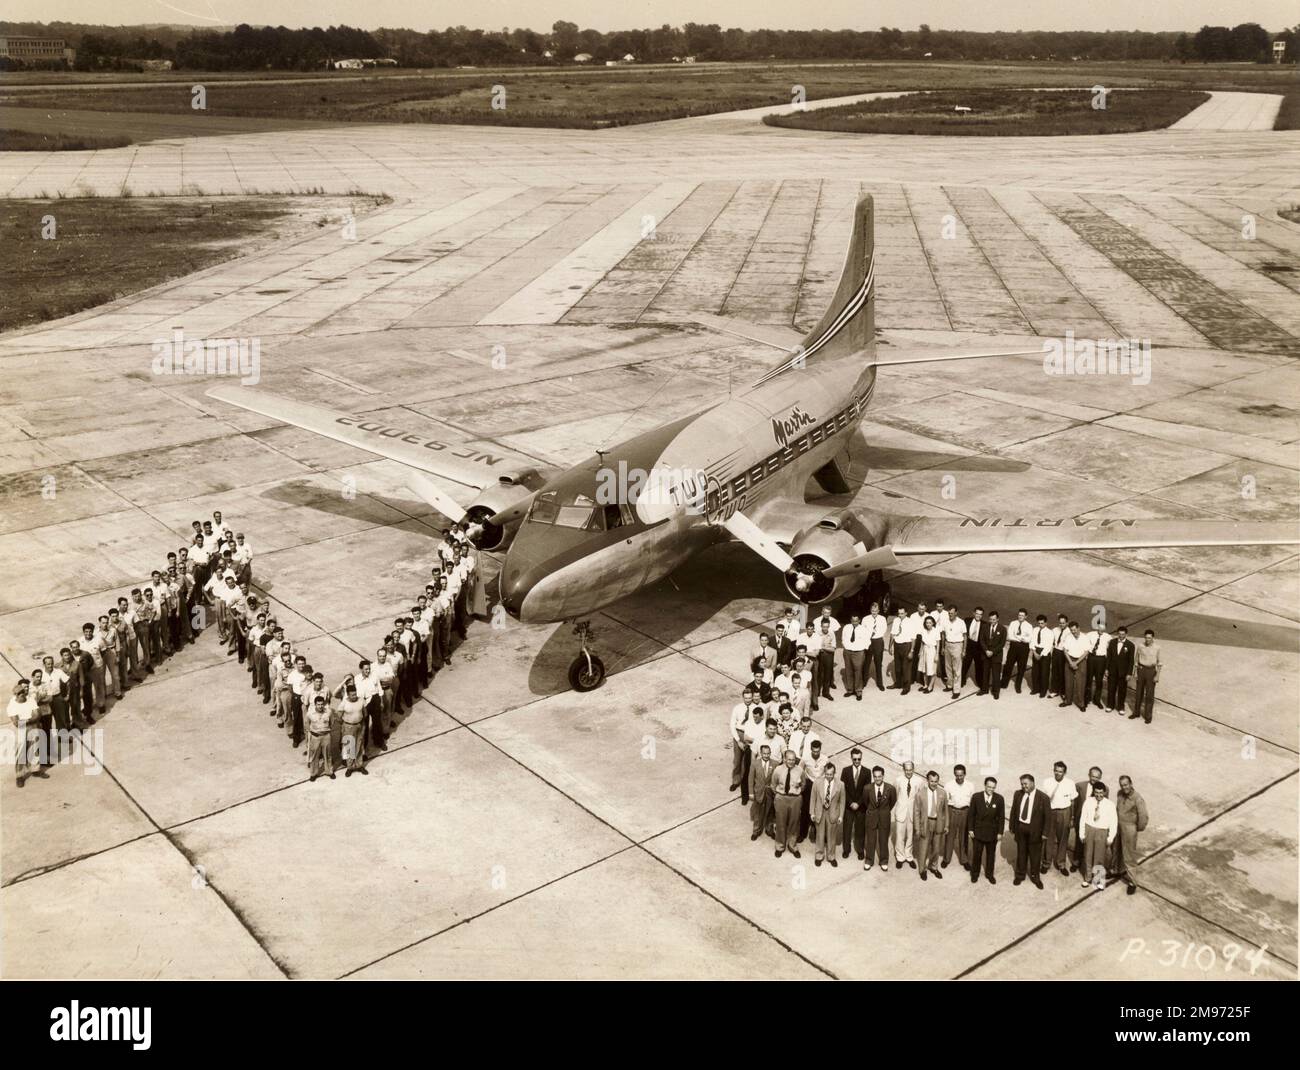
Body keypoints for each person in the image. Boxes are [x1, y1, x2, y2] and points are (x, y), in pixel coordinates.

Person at [1010, 774, 1048, 888]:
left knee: (1035, 856)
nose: (1023, 786)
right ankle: (1020, 875)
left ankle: (1035, 877)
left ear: (1032, 783)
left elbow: (1048, 817)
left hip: (1035, 831)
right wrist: (1012, 826)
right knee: (1021, 853)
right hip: (1021, 828)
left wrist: (1045, 833)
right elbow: (1013, 810)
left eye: (1025, 784)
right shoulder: (1018, 794)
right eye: (1022, 784)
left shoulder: (1043, 797)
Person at [1078, 781, 1117, 888]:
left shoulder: (1110, 805)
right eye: (1096, 792)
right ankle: (1088, 878)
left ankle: (1099, 880)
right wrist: (1082, 833)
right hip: (1089, 829)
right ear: (1093, 792)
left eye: (1101, 792)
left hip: (1102, 831)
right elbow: (1083, 818)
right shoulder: (1088, 802)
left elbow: (1114, 822)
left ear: (1104, 792)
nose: (1099, 795)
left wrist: (1110, 837)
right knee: (1088, 855)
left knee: (1099, 857)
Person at [1042, 761, 1078, 877]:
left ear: (1064, 772)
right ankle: (1046, 863)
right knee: (1048, 839)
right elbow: (1043, 800)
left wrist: (1072, 817)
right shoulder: (1047, 782)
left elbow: (1072, 801)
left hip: (1065, 812)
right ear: (1053, 770)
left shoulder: (1070, 783)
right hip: (1051, 812)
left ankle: (1061, 864)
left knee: (1063, 839)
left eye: (1060, 771)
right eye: (1056, 771)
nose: (1058, 773)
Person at [967, 777, 1005, 884]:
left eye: (993, 787)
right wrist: (970, 829)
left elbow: (1001, 817)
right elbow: (971, 815)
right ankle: (975, 874)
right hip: (978, 832)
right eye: (989, 787)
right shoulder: (976, 797)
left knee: (991, 855)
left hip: (992, 833)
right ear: (984, 785)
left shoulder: (999, 799)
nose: (991, 789)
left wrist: (1000, 832)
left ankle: (989, 874)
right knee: (977, 854)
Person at [8, 679, 47, 787]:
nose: (22, 693)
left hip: (32, 727)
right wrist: (31, 719)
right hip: (20, 729)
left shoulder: (30, 699)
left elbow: (38, 714)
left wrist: (27, 720)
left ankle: (35, 770)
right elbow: (16, 722)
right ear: (15, 694)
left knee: (34, 748)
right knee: (20, 751)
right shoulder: (12, 703)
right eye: (19, 692)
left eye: (24, 691)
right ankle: (19, 776)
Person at [1114, 775, 1148, 894]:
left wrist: (1135, 829)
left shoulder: (1137, 798)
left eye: (1126, 784)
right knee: (1116, 850)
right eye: (1122, 785)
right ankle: (1116, 870)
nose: (1124, 787)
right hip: (1118, 826)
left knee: (1129, 856)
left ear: (1131, 784)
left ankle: (1133, 882)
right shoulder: (1119, 794)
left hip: (1129, 828)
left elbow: (1143, 817)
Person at [913, 770, 949, 880]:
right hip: (926, 822)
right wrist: (917, 828)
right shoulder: (920, 794)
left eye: (936, 781)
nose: (934, 783)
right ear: (927, 780)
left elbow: (945, 811)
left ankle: (933, 867)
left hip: (938, 822)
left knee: (936, 848)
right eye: (932, 781)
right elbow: (916, 812)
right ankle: (922, 870)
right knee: (924, 847)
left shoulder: (942, 793)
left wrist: (946, 825)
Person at [770, 750, 805, 859]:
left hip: (795, 799)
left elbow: (803, 784)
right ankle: (780, 846)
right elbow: (773, 784)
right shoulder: (778, 770)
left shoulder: (800, 770)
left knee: (794, 823)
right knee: (780, 823)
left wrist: (796, 793)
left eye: (793, 759)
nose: (791, 761)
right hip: (781, 798)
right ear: (784, 759)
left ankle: (792, 845)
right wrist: (780, 795)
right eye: (789, 759)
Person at [1071, 766, 1105, 874]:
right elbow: (1075, 804)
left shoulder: (1105, 789)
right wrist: (1073, 817)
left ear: (1100, 778)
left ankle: (1089, 865)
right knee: (1079, 841)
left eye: (1097, 777)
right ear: (1089, 775)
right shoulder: (1080, 786)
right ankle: (1076, 861)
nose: (1094, 779)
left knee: (1092, 845)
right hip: (1081, 819)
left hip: (1094, 821)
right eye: (1092, 776)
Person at [334, 678, 369, 777]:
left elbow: (365, 713)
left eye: (355, 694)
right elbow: (338, 717)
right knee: (349, 747)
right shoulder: (344, 703)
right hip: (348, 727)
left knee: (359, 745)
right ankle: (350, 767)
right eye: (352, 695)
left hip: (359, 725)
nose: (354, 696)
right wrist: (346, 725)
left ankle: (359, 765)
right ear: (348, 694)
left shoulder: (361, 700)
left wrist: (360, 723)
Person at [811, 762, 844, 867]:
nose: (829, 776)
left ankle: (831, 856)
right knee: (820, 835)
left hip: (833, 813)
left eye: (831, 774)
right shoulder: (817, 783)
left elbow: (842, 801)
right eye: (827, 774)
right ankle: (819, 856)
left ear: (834, 773)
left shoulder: (840, 784)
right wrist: (812, 812)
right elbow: (813, 799)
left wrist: (841, 816)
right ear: (824, 773)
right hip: (820, 812)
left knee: (831, 836)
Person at [863, 766, 895, 871]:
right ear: (873, 776)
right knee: (870, 840)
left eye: (879, 776)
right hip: (871, 817)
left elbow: (892, 802)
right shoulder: (867, 788)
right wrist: (872, 812)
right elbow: (865, 802)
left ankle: (884, 861)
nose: (877, 779)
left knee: (883, 840)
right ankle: (869, 860)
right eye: (875, 777)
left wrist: (884, 812)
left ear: (883, 776)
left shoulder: (890, 788)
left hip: (884, 817)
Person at [893, 761, 922, 869]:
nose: (908, 772)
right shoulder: (898, 780)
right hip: (901, 812)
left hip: (912, 813)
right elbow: (895, 795)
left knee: (910, 836)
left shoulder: (919, 781)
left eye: (910, 770)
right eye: (906, 770)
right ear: (903, 769)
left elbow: (919, 798)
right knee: (899, 836)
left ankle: (909, 856)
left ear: (913, 769)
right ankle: (900, 857)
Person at [840, 749, 869, 860]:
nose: (857, 761)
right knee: (847, 829)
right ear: (851, 758)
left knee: (860, 830)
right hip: (849, 806)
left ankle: (860, 850)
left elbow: (866, 790)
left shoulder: (867, 772)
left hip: (861, 807)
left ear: (861, 758)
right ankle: (846, 850)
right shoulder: (845, 771)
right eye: (855, 759)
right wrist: (851, 802)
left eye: (859, 759)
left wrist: (859, 803)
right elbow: (843, 789)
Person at [943, 764, 973, 871]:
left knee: (963, 837)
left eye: (961, 775)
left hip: (965, 811)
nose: (959, 777)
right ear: (954, 774)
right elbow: (946, 801)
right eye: (957, 775)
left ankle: (964, 860)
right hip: (952, 811)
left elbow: (971, 801)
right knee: (949, 836)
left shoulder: (970, 785)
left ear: (965, 774)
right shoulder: (949, 785)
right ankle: (946, 859)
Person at [749, 741, 777, 842]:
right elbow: (750, 779)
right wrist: (751, 792)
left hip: (770, 793)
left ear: (770, 753)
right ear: (761, 753)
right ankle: (756, 830)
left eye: (768, 753)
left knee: (770, 812)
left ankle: (769, 830)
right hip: (758, 792)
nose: (766, 755)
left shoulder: (775, 764)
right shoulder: (755, 764)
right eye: (764, 753)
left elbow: (776, 779)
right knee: (758, 813)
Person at [728, 687, 754, 794]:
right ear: (743, 697)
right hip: (739, 733)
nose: (748, 700)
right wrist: (738, 740)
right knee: (737, 760)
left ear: (752, 697)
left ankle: (746, 782)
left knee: (747, 761)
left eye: (749, 698)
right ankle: (736, 780)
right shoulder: (737, 708)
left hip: (750, 735)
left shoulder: (755, 708)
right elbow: (732, 725)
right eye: (746, 698)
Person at [1132, 630, 1161, 723]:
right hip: (1141, 670)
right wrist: (1135, 672)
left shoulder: (1157, 648)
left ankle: (1148, 717)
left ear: (1153, 638)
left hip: (1151, 671)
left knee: (1149, 695)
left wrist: (1157, 676)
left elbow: (1159, 663)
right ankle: (1136, 713)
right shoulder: (1140, 646)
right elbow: (1136, 659)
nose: (1147, 639)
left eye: (1149, 638)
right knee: (1138, 693)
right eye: (1146, 637)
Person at [1059, 621, 1089, 710]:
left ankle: (1081, 703)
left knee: (1081, 683)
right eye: (1071, 630)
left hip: (1081, 661)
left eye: (1075, 630)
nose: (1073, 632)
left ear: (1079, 628)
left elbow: (1086, 652)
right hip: (1070, 660)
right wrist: (1071, 662)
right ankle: (1068, 701)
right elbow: (1065, 651)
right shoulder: (1068, 637)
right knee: (1068, 681)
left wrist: (1076, 663)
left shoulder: (1085, 637)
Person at [1107, 626, 1136, 714]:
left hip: (1123, 673)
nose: (1121, 636)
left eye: (1123, 634)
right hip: (1112, 671)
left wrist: (1129, 673)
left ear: (1126, 634)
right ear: (1117, 634)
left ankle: (1121, 707)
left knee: (1122, 690)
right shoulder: (1112, 642)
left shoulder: (1130, 645)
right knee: (1111, 689)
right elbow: (1109, 657)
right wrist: (1106, 669)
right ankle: (1110, 705)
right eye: (1119, 634)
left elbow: (1131, 661)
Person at [1002, 609, 1032, 693]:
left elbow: (1029, 639)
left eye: (1022, 615)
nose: (1020, 617)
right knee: (1008, 665)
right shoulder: (1013, 623)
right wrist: (1022, 638)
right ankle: (1004, 683)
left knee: (1021, 667)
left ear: (1026, 616)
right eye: (1019, 615)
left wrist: (1017, 637)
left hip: (1024, 648)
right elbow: (1010, 636)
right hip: (1013, 647)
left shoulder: (1029, 626)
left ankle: (1018, 686)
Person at [1082, 621, 1111, 710]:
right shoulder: (1090, 634)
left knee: (1099, 681)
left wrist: (1107, 666)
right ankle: (1086, 699)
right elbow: (1084, 644)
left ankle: (1097, 700)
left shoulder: (1108, 637)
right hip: (1091, 658)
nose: (1101, 630)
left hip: (1101, 659)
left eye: (1103, 628)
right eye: (1100, 627)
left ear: (1105, 628)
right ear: (1097, 627)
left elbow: (1109, 651)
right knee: (1088, 679)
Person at [306, 695, 335, 782]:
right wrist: (312, 732)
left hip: (326, 736)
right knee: (314, 756)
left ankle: (329, 771)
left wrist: (327, 730)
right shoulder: (310, 714)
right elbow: (307, 724)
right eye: (318, 704)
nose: (320, 706)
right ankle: (313, 773)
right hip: (315, 737)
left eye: (322, 704)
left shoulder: (328, 712)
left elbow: (332, 722)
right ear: (315, 704)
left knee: (328, 754)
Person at [979, 610, 1006, 699]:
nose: (992, 621)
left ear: (997, 619)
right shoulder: (985, 627)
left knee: (996, 675)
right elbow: (981, 640)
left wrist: (992, 652)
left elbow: (1002, 644)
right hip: (986, 654)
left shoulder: (1002, 629)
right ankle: (984, 689)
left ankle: (996, 692)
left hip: (996, 655)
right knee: (985, 673)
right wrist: (986, 650)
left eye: (994, 619)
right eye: (990, 619)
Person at [888, 606, 915, 695]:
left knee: (906, 668)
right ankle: (898, 683)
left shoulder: (910, 622)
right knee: (898, 666)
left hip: (906, 645)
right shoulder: (896, 620)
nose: (900, 615)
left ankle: (906, 687)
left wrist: (911, 650)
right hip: (897, 645)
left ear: (906, 613)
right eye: (899, 613)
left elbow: (913, 638)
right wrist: (890, 646)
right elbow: (892, 633)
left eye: (902, 613)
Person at [840, 614, 867, 698]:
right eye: (853, 621)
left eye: (856, 621)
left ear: (859, 621)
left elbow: (867, 640)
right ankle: (850, 690)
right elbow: (843, 638)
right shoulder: (846, 627)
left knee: (858, 671)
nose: (854, 623)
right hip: (847, 651)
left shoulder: (863, 629)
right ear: (850, 620)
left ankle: (858, 691)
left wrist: (862, 650)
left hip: (858, 652)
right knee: (848, 671)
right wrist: (845, 646)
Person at [942, 606, 966, 697]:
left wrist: (964, 650)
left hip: (957, 645)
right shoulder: (945, 621)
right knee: (948, 667)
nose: (950, 615)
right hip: (948, 645)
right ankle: (949, 685)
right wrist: (943, 647)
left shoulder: (961, 622)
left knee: (957, 669)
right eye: (949, 613)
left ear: (956, 613)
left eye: (952, 613)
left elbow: (965, 636)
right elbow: (943, 634)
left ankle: (956, 690)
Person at [962, 606, 986, 693]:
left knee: (979, 666)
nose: (978, 616)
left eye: (980, 614)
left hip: (978, 648)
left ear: (982, 615)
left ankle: (979, 682)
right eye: (977, 614)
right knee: (965, 664)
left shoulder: (984, 624)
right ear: (973, 613)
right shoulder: (967, 621)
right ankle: (962, 681)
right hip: (969, 646)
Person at [1030, 614, 1053, 698]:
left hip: (1045, 653)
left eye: (1042, 623)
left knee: (1044, 673)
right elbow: (1032, 641)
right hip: (1036, 651)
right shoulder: (1035, 630)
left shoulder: (1050, 632)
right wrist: (1034, 652)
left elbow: (1048, 645)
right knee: (1035, 672)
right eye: (1039, 623)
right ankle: (1035, 689)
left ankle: (1043, 691)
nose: (1040, 625)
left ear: (1046, 623)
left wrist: (1041, 655)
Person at [916, 615, 939, 692]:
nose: (928, 624)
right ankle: (925, 685)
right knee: (924, 669)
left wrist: (937, 655)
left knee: (932, 669)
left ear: (933, 623)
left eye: (930, 623)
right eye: (927, 623)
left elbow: (938, 643)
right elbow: (922, 643)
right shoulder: (924, 631)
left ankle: (930, 687)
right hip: (924, 650)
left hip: (932, 651)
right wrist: (920, 651)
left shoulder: (936, 630)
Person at [815, 619, 836, 703]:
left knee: (827, 674)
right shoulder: (817, 634)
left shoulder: (831, 634)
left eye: (827, 626)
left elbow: (833, 649)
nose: (825, 628)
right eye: (823, 626)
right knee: (819, 674)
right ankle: (817, 692)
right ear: (821, 626)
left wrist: (823, 647)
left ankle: (826, 692)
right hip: (819, 655)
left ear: (829, 626)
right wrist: (826, 647)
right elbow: (815, 646)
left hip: (828, 656)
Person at [1049, 613, 1070, 698]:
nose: (1061, 624)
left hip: (1064, 653)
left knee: (1063, 673)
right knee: (1054, 672)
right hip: (1056, 652)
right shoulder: (1055, 630)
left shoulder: (1069, 632)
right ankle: (1054, 690)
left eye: (1063, 623)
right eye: (1060, 623)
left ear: (1067, 623)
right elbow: (1051, 641)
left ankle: (1063, 692)